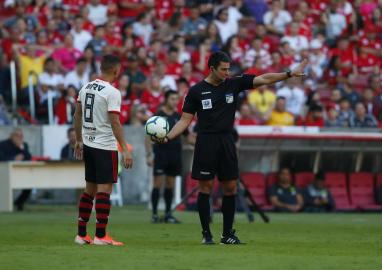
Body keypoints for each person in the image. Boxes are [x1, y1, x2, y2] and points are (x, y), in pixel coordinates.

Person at [153, 51, 307, 245]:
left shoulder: (233, 84)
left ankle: (227, 235)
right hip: (206, 141)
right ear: (212, 69)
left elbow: (264, 79)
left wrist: (289, 74)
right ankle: (206, 234)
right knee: (205, 187)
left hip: (227, 141)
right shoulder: (196, 91)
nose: (227, 72)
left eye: (229, 69)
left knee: (230, 187)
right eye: (224, 69)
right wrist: (168, 137)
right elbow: (185, 121)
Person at [73, 54, 133, 246]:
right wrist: (125, 149)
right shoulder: (112, 92)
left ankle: (81, 235)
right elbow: (115, 122)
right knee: (104, 190)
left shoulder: (86, 87)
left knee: (89, 189)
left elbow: (77, 114)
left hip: (89, 144)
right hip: (105, 146)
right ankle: (101, 235)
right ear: (116, 70)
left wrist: (79, 140)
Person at [145, 90, 182, 224]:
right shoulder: (158, 116)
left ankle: (167, 214)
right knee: (158, 183)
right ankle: (154, 214)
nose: (174, 101)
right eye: (172, 98)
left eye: (176, 99)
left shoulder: (179, 116)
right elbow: (148, 136)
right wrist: (149, 154)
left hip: (175, 153)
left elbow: (187, 135)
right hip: (161, 153)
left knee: (170, 184)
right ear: (166, 99)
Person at [0, 128, 32, 211]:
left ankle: (19, 203)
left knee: (29, 184)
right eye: (17, 135)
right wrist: (14, 159)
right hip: (5, 172)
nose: (19, 138)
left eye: (21, 136)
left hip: (21, 172)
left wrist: (21, 148)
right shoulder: (3, 145)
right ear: (11, 136)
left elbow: (28, 157)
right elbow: (2, 158)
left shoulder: (24, 145)